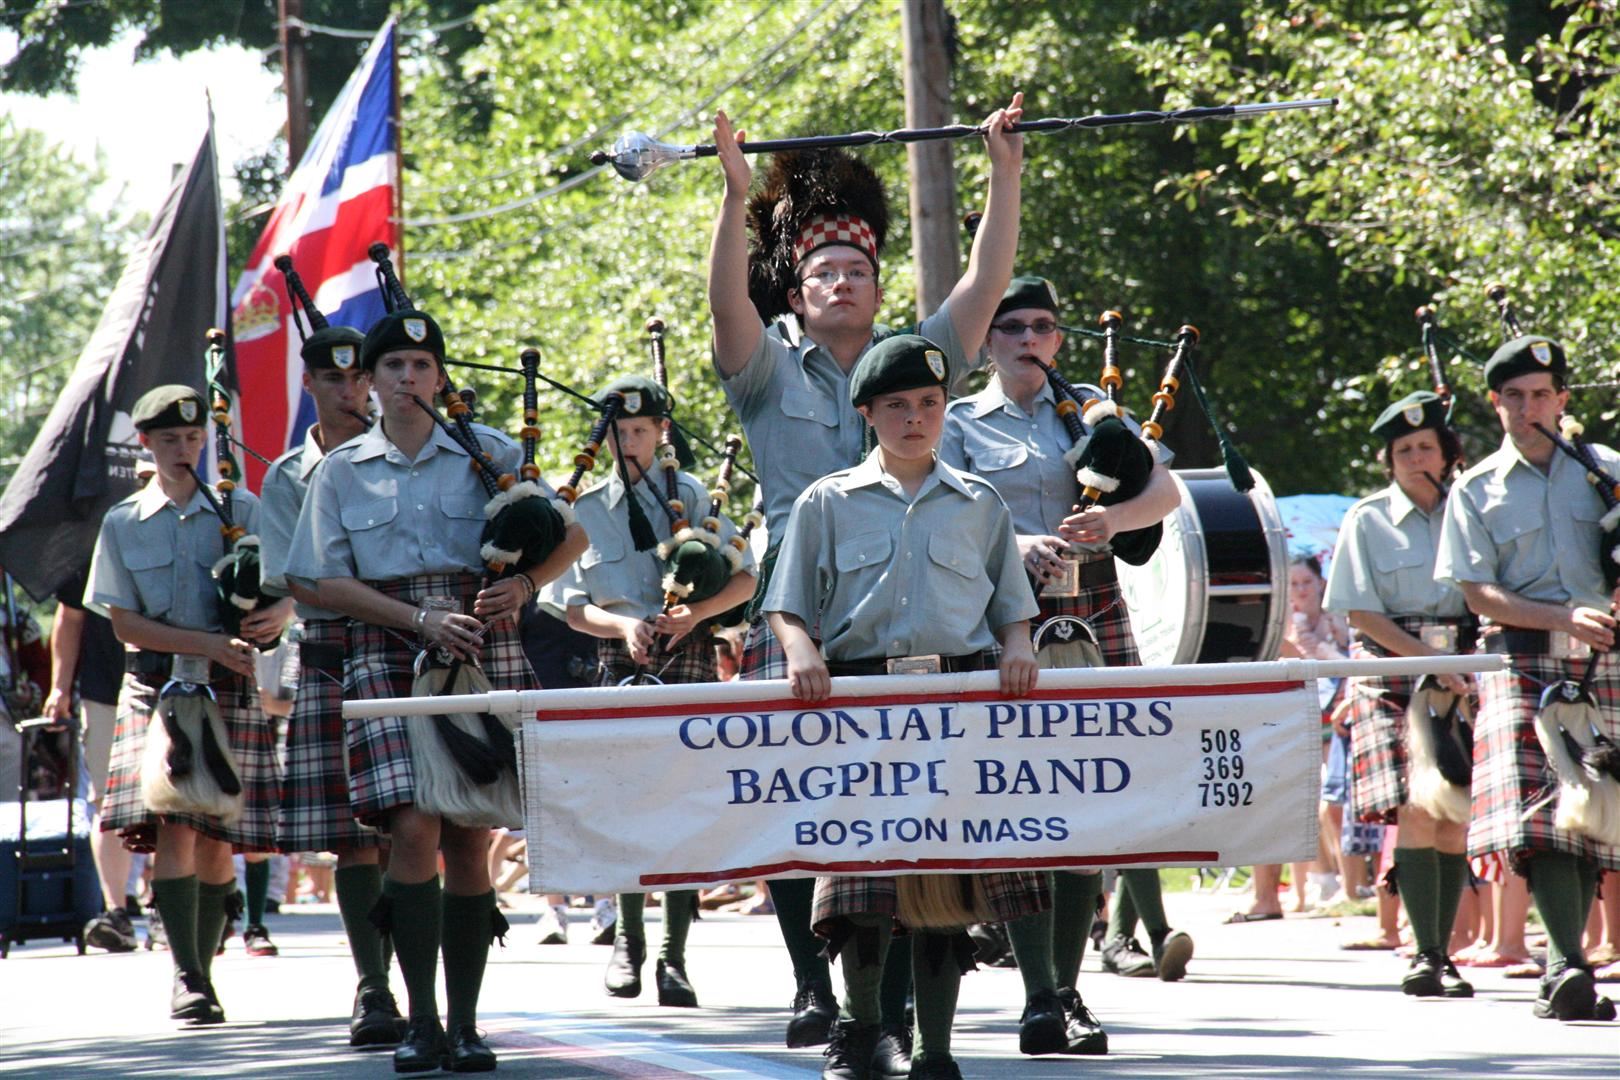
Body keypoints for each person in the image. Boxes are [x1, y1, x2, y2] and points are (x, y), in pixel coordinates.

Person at [706, 92, 1026, 1053]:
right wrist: (731, 194)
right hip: (798, 611)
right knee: (801, 804)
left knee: (919, 811)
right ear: (798, 290)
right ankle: (817, 985)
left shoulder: (918, 367)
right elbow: (724, 301)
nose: (841, 283)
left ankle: (898, 1009)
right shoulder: (763, 371)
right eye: (823, 272)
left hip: (915, 609)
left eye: (857, 270)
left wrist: (1003, 170)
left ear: (878, 288)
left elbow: (985, 279)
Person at [285, 301, 588, 1071]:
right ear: (370, 382)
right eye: (394, 366)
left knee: (469, 829)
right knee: (413, 825)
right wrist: (419, 618)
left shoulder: (486, 452)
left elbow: (570, 536)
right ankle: (417, 1018)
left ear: (441, 375)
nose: (409, 376)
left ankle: (466, 1024)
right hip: (388, 645)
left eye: (423, 365)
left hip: (484, 644)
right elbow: (315, 577)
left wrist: (524, 585)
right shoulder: (339, 471)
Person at [765, 334, 1043, 1080]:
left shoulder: (979, 501)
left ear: (945, 409)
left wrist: (1018, 644)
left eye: (928, 403)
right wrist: (801, 652)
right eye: (897, 406)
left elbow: (1011, 603)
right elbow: (786, 606)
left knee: (943, 884)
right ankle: (859, 1033)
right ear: (868, 413)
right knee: (861, 880)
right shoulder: (828, 502)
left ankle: (936, 1050)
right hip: (860, 702)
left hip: (956, 701)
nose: (915, 418)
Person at [937, 275, 1182, 1055]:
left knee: (1087, 807)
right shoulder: (960, 423)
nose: (1029, 338)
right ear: (987, 341)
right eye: (1012, 327)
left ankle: (1066, 993)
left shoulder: (1095, 413)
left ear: (1060, 339)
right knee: (1019, 807)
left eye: (1043, 326)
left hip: (1095, 610)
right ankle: (1040, 989)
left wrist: (1113, 517)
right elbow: (939, 513)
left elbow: (1166, 491)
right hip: (1000, 617)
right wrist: (1012, 545)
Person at [543, 374, 757, 1009]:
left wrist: (697, 615)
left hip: (688, 656)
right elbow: (573, 607)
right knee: (627, 805)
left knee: (685, 807)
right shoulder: (583, 506)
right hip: (618, 661)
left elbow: (744, 582)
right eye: (619, 431)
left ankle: (674, 957)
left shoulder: (694, 495)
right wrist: (624, 624)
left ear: (662, 431)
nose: (629, 441)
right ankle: (628, 942)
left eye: (641, 429)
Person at [1435, 334, 1619, 1022]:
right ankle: (1567, 965)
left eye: (1541, 394)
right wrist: (1561, 615)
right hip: (1522, 659)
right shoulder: (1476, 489)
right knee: (1543, 817)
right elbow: (1478, 593)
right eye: (1513, 396)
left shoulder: (1607, 472)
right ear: (1495, 403)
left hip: (1605, 657)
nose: (1527, 407)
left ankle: (1565, 965)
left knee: (1594, 812)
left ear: (1563, 400)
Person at [86, 384, 284, 1025]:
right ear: (145, 442)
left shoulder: (242, 510)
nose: (184, 449)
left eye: (194, 438)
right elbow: (123, 623)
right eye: (170, 439)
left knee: (217, 838)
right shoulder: (122, 523)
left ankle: (205, 961)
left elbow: (286, 592)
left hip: (228, 686)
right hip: (158, 687)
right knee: (177, 823)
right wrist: (207, 643)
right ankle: (188, 976)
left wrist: (272, 618)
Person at [258, 312, 410, 1045]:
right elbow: (297, 580)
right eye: (332, 377)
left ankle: (418, 980)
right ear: (310, 384)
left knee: (413, 830)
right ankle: (372, 986)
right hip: (329, 655)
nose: (349, 388)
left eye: (359, 375)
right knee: (355, 838)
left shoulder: (407, 454)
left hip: (405, 651)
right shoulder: (287, 477)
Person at [1325, 390, 1477, 998]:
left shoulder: (1470, 512)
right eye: (1403, 449)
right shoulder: (1367, 518)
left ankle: (1444, 954)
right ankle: (1428, 952)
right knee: (1416, 808)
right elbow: (1361, 613)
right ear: (1388, 460)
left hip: (1464, 670)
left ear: (1445, 455)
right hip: (1390, 671)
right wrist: (1433, 660)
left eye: (1426, 447)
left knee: (1452, 820)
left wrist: (1453, 664)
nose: (1416, 457)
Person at [43, 564, 134, 950]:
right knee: (104, 799)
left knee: (171, 798)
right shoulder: (84, 543)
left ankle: (166, 906)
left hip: (168, 682)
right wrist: (58, 689)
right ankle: (117, 914)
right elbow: (69, 617)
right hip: (103, 690)